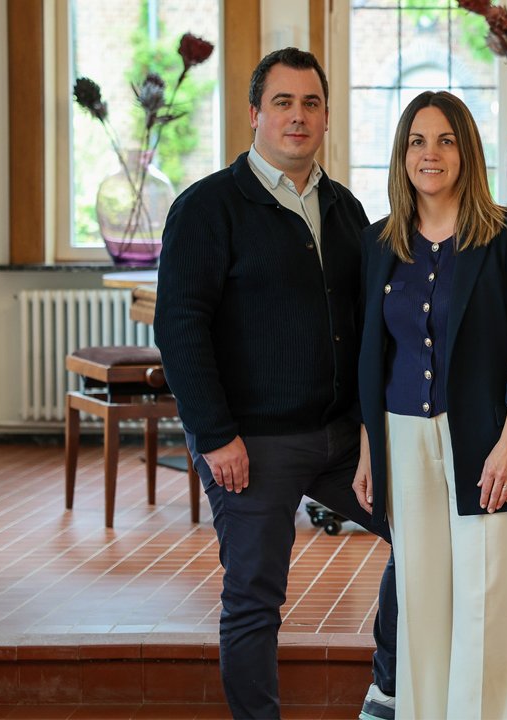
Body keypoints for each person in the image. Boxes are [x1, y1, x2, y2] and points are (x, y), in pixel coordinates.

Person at [155, 47, 397, 720]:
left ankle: (388, 691)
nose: (298, 116)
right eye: (283, 102)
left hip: (340, 438)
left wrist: (369, 429)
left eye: (311, 103)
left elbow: (369, 325)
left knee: (425, 538)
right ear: (254, 114)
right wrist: (214, 436)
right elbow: (180, 329)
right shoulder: (207, 208)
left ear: (326, 116)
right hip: (251, 443)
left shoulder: (345, 209)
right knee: (255, 598)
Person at [352, 91, 507, 719]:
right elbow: (372, 357)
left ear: (466, 151)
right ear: (402, 154)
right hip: (402, 437)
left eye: (445, 140)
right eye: (417, 141)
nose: (430, 153)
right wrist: (369, 449)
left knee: (487, 603)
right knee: (421, 604)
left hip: (488, 437)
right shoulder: (378, 243)